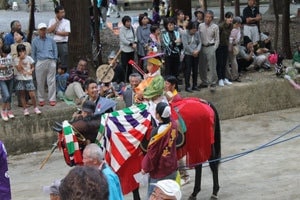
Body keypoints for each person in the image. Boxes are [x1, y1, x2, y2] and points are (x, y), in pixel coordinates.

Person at [141, 102, 178, 198]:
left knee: (152, 197)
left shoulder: (157, 132)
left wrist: (145, 168)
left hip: (160, 172)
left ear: (157, 115)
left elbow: (152, 154)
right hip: (172, 167)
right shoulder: (174, 125)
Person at [32, 22, 58, 107]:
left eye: (44, 29)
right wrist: (35, 63)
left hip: (50, 60)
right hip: (40, 61)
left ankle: (52, 99)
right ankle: (41, 99)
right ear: (38, 31)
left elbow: (55, 50)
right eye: (41, 30)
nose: (43, 31)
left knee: (51, 81)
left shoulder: (51, 40)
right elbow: (33, 53)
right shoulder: (35, 41)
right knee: (40, 81)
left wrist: (55, 59)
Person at [14, 44, 42, 116]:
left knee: (32, 94)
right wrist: (20, 59)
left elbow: (33, 67)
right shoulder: (16, 59)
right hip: (20, 79)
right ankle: (25, 109)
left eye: (23, 51)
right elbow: (19, 69)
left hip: (28, 78)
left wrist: (31, 71)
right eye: (20, 51)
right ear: (18, 52)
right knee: (22, 95)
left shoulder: (29, 58)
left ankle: (35, 107)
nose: (22, 52)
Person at [198, 10, 219, 91]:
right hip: (202, 47)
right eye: (207, 17)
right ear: (204, 17)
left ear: (212, 18)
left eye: (210, 17)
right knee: (202, 66)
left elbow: (217, 39)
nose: (208, 19)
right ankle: (204, 81)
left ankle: (213, 82)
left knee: (212, 65)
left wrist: (214, 48)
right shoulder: (200, 26)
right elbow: (198, 37)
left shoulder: (215, 27)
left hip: (211, 46)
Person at [47, 5, 71, 69]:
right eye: (61, 13)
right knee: (53, 60)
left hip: (63, 43)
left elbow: (66, 33)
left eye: (63, 12)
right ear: (57, 13)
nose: (63, 14)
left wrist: (55, 32)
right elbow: (49, 30)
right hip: (53, 43)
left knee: (64, 61)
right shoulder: (52, 21)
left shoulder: (66, 22)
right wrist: (56, 23)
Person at [181, 21, 201, 92]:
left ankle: (195, 85)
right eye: (193, 29)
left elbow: (199, 43)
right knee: (188, 70)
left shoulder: (197, 33)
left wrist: (197, 50)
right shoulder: (184, 33)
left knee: (195, 70)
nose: (194, 30)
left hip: (196, 53)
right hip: (188, 54)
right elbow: (185, 45)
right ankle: (187, 86)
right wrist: (192, 52)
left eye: (195, 29)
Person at [216, 11, 233, 87]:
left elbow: (230, 36)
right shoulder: (221, 26)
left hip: (226, 45)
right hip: (219, 46)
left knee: (224, 63)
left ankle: (224, 77)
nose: (230, 19)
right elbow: (216, 36)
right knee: (219, 63)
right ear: (225, 18)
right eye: (229, 17)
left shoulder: (231, 26)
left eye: (231, 18)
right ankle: (220, 79)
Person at [119, 15, 136, 82]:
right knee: (124, 65)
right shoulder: (122, 30)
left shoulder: (131, 28)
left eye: (129, 21)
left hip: (131, 50)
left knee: (130, 65)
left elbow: (135, 36)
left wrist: (135, 42)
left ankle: (130, 79)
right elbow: (123, 39)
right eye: (127, 22)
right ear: (124, 22)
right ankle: (123, 79)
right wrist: (130, 44)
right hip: (125, 50)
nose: (129, 23)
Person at [0, 45, 15, 121]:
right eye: (5, 53)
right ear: (2, 51)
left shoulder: (10, 56)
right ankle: (3, 111)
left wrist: (7, 66)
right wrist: (7, 66)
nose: (6, 55)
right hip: (2, 79)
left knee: (9, 96)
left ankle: (9, 110)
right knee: (6, 95)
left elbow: (12, 65)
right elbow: (1, 67)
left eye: (7, 53)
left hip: (10, 77)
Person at [228, 16, 243, 82]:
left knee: (233, 61)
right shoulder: (232, 28)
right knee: (231, 62)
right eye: (238, 23)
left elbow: (236, 39)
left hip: (233, 46)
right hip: (230, 45)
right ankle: (230, 76)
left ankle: (234, 76)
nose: (239, 25)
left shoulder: (237, 29)